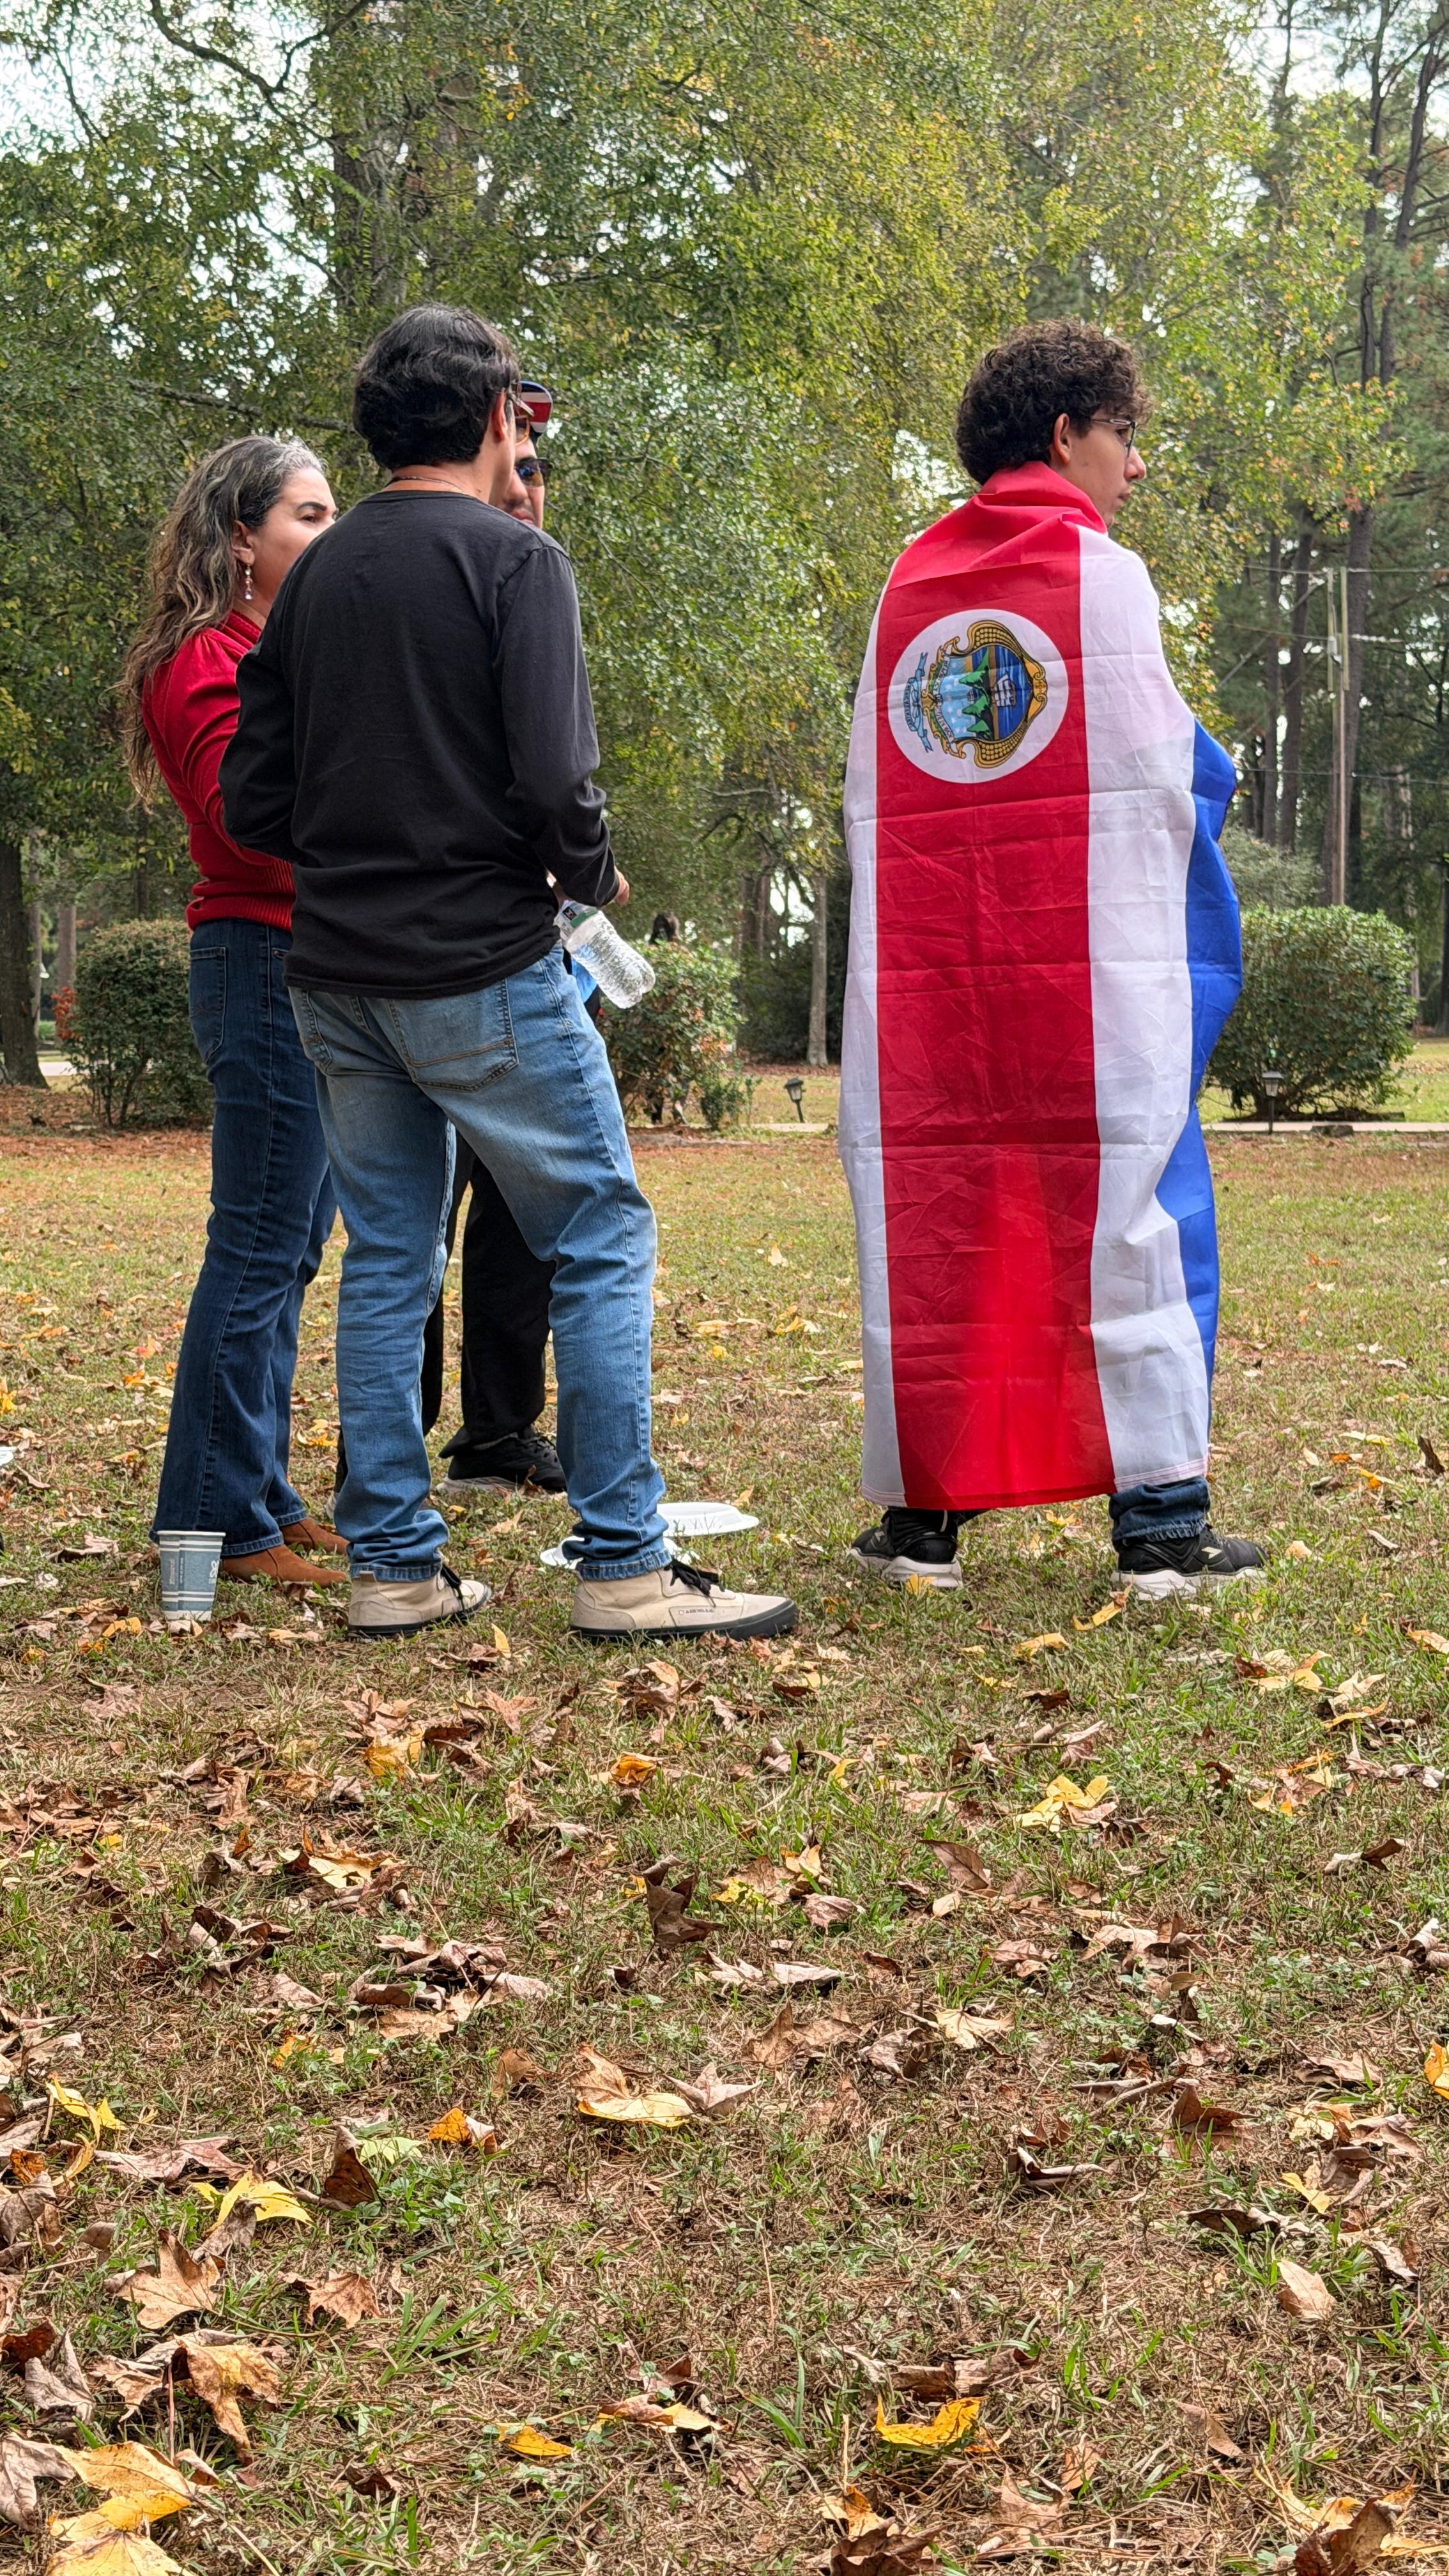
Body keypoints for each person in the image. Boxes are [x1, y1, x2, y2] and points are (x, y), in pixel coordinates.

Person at [220, 302, 795, 1641]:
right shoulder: (517, 563)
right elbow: (555, 778)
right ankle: (625, 1563)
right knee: (599, 1231)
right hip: (479, 962)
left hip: (337, 974)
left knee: (389, 1260)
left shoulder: (314, 579)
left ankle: (393, 1568)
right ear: (496, 416)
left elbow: (253, 805)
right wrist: (589, 873)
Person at [839, 319, 1262, 1601]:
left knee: (943, 1219)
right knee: (1130, 1211)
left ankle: (923, 1522)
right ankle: (1160, 1528)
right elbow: (1162, 774)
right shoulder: (1103, 576)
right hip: (1089, 975)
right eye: (1123, 435)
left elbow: (880, 792)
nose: (1134, 464)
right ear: (1067, 433)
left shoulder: (909, 584)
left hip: (935, 984)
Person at [119, 436, 347, 1591]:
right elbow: (245, 821)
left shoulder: (269, 650)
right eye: (309, 515)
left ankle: (260, 1493)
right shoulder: (208, 657)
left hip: (301, 960)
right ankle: (213, 1522)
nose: (330, 532)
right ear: (241, 536)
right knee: (257, 1244)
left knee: (290, 1248)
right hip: (261, 961)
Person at [426, 379, 569, 1501]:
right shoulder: (415, 588)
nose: (525, 488)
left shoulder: (537, 581)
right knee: (414, 1222)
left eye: (537, 473)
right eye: (511, 462)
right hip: (439, 956)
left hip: (537, 947)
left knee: (525, 1209)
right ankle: (388, 1452)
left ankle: (498, 1432)